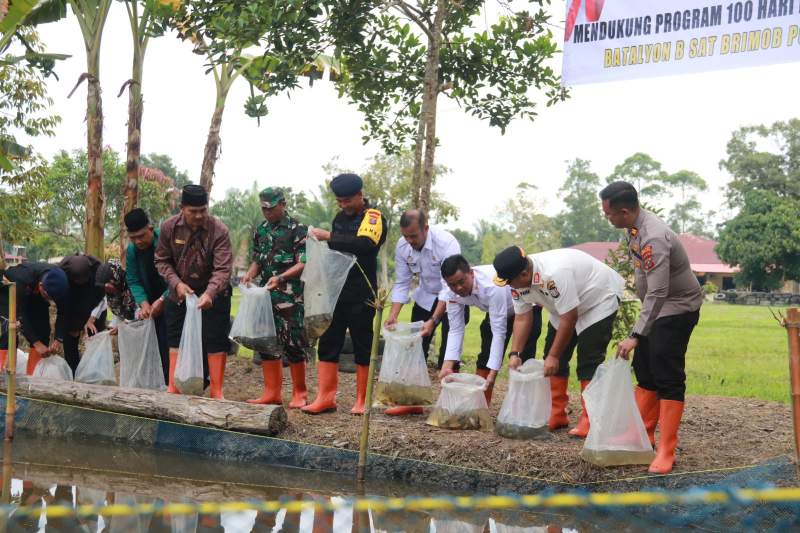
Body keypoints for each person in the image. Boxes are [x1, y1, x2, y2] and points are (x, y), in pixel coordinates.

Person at [600, 181, 703, 474]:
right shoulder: (634, 230)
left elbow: (659, 292)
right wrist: (641, 330)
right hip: (658, 307)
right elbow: (644, 281)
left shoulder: (653, 237)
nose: (607, 218)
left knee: (665, 371)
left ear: (623, 211)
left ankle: (666, 450)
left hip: (678, 306)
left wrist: (635, 334)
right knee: (644, 368)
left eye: (608, 214)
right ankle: (641, 436)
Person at [493, 245, 623, 436]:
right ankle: (557, 413)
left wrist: (554, 356)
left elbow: (569, 318)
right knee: (552, 358)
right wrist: (515, 353)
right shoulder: (518, 282)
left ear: (524, 274)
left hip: (598, 298)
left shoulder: (554, 273)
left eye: (510, 282)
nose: (509, 286)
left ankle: (590, 419)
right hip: (562, 307)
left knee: (588, 359)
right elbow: (522, 317)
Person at [302, 173, 387, 415]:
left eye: (348, 200)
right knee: (329, 341)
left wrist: (329, 237)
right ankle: (325, 397)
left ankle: (362, 400)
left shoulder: (373, 217)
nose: (343, 205)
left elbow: (364, 245)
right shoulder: (339, 218)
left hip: (363, 291)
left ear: (360, 195)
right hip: (337, 288)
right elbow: (335, 250)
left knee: (362, 342)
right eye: (339, 201)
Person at [155, 184, 233, 399]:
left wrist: (210, 293)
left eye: (203, 210)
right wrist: (176, 284)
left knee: (215, 338)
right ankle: (173, 386)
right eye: (193, 211)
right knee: (175, 337)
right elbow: (161, 260)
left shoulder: (219, 230)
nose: (199, 215)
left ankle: (216, 390)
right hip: (179, 291)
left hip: (214, 293)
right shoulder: (169, 228)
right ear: (182, 208)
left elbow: (223, 268)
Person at [438, 255, 541, 407]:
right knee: (486, 353)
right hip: (496, 311)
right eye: (452, 285)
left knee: (523, 359)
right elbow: (455, 329)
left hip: (526, 308)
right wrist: (447, 365)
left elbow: (499, 333)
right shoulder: (450, 292)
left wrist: (493, 373)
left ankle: (523, 408)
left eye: (461, 282)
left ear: (471, 273)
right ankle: (480, 404)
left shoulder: (492, 285)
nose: (458, 288)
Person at [240, 187, 310, 408]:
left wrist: (281, 277)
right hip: (265, 295)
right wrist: (250, 274)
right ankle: (272, 392)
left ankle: (300, 392)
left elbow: (303, 262)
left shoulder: (297, 229)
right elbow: (258, 259)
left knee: (293, 342)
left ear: (282, 204)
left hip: (290, 295)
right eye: (263, 209)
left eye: (271, 208)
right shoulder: (260, 230)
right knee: (266, 341)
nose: (267, 213)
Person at [385, 209, 463, 366]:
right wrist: (393, 315)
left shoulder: (446, 243)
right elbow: (402, 282)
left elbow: (448, 287)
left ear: (425, 228)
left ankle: (447, 380)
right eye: (405, 236)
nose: (409, 240)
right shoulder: (402, 246)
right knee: (416, 347)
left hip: (453, 297)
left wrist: (433, 320)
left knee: (450, 351)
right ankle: (415, 384)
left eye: (413, 236)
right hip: (425, 296)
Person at [124, 207, 170, 381]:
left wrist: (163, 299)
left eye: (141, 236)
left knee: (169, 342)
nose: (138, 241)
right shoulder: (132, 251)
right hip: (151, 305)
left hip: (172, 299)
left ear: (150, 229)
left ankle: (170, 383)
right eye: (133, 238)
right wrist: (143, 303)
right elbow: (133, 280)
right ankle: (156, 381)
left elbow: (179, 275)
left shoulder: (165, 240)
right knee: (154, 344)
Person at [0, 262, 68, 374]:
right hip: (9, 293)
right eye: (48, 297)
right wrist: (36, 343)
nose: (51, 301)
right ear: (41, 286)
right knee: (9, 332)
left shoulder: (60, 282)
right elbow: (20, 314)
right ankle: (3, 376)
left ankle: (33, 380)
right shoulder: (21, 278)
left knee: (42, 330)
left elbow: (63, 312)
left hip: (34, 295)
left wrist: (58, 338)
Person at [53, 253, 106, 373]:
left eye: (82, 280)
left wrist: (89, 318)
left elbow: (99, 298)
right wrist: (74, 326)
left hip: (94, 308)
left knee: (95, 337)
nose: (80, 282)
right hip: (71, 305)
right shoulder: (61, 272)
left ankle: (95, 373)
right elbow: (63, 306)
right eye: (77, 280)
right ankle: (72, 371)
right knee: (70, 335)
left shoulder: (97, 270)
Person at [85, 259, 138, 336]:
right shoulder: (107, 290)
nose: (106, 288)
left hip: (138, 326)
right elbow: (101, 301)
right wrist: (91, 318)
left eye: (108, 285)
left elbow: (139, 312)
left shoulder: (132, 286)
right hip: (122, 324)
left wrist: (122, 326)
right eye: (104, 286)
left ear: (115, 279)